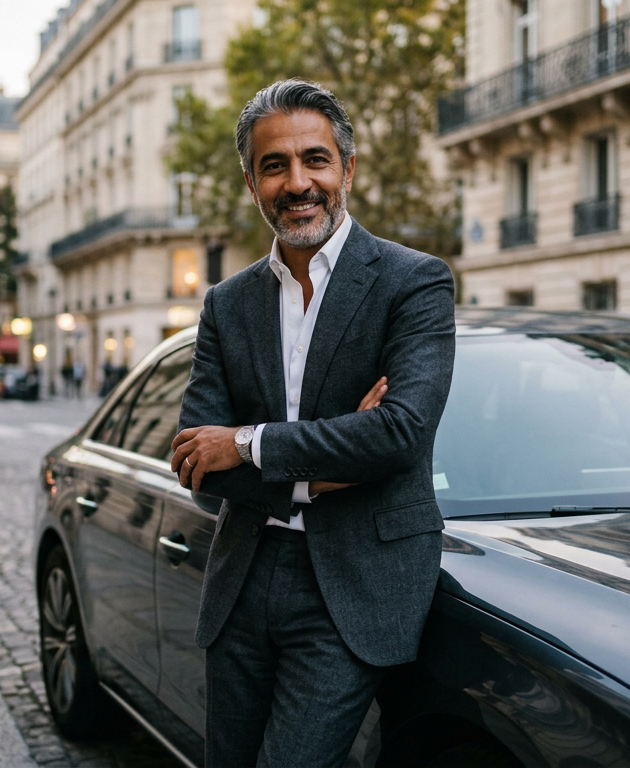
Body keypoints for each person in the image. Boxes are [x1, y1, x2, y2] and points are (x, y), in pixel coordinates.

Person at [169, 80, 456, 767]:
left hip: (353, 585)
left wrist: (247, 444)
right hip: (243, 579)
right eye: (275, 166)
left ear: (347, 169)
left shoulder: (412, 282)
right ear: (251, 183)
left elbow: (398, 435)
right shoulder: (227, 303)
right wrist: (324, 474)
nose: (298, 183)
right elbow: (194, 460)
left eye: (315, 160)